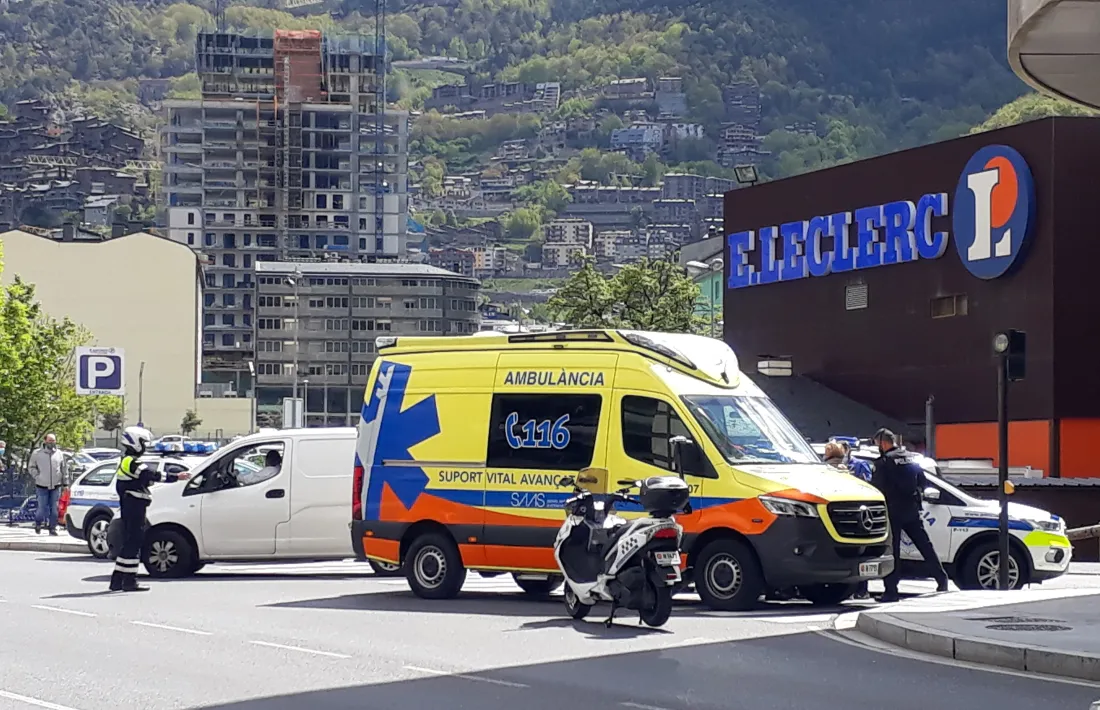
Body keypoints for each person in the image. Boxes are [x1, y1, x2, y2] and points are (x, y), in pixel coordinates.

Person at [870, 428, 948, 603]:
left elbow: (877, 487)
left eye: (876, 444)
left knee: (893, 550)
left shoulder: (883, 462)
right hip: (911, 509)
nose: (877, 447)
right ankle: (942, 579)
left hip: (892, 510)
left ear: (883, 443)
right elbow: (922, 482)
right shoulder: (911, 458)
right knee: (925, 545)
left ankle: (891, 591)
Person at [111, 426, 190, 592]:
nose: (145, 447)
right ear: (135, 442)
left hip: (132, 506)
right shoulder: (131, 462)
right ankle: (128, 581)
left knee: (130, 542)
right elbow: (150, 475)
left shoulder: (126, 460)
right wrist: (176, 477)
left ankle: (118, 580)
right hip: (134, 507)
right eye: (143, 443)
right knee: (133, 542)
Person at [29, 434, 65, 535]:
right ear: (45, 441)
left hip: (55, 485)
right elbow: (31, 467)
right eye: (50, 440)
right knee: (42, 507)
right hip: (42, 485)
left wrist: (64, 482)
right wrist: (37, 476)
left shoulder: (59, 453)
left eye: (53, 440)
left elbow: (63, 468)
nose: (52, 443)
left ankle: (52, 528)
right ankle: (38, 523)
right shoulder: (37, 453)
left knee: (54, 508)